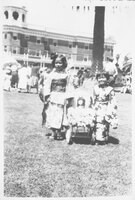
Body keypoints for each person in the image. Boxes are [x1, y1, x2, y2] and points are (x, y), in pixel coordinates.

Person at [93, 70, 118, 144]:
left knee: (104, 122)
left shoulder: (109, 89)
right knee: (96, 121)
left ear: (107, 79)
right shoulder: (95, 88)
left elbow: (112, 100)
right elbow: (93, 98)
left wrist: (110, 110)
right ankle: (96, 136)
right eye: (99, 78)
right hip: (97, 106)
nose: (101, 79)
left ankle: (102, 138)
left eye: (103, 78)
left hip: (105, 107)